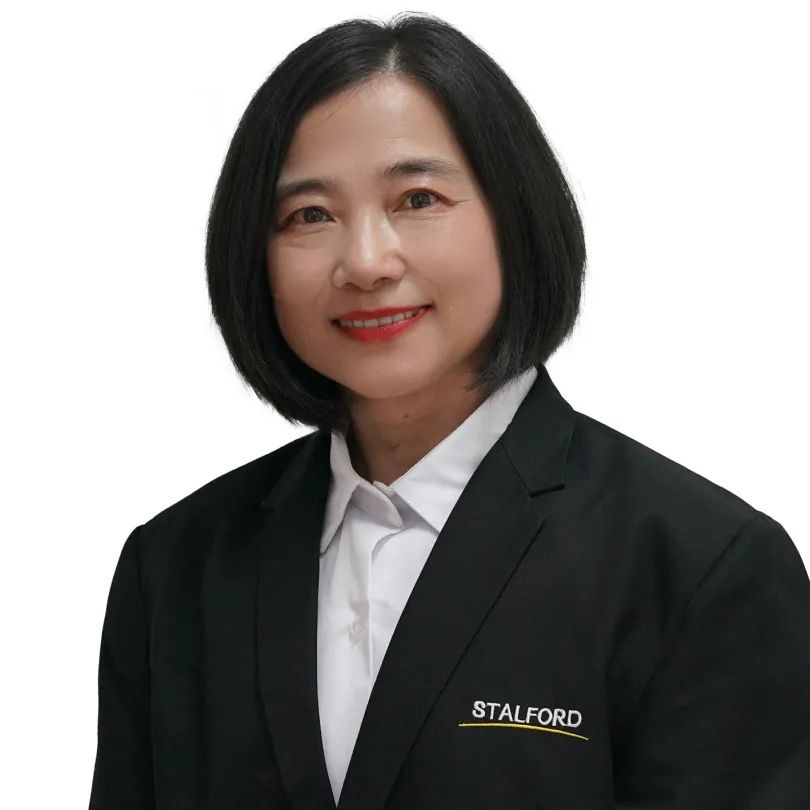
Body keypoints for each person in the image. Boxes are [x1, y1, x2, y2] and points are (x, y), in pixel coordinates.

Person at [89, 12, 810, 809]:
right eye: (310, 215)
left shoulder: (699, 568)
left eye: (418, 198)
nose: (366, 262)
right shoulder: (175, 569)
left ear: (515, 216)